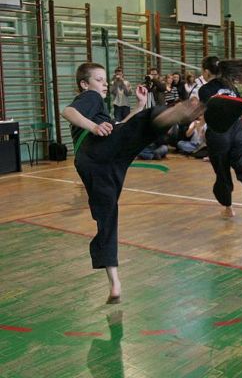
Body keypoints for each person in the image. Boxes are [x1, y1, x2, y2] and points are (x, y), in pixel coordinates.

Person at [61, 62, 202, 305]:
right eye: (98, 79)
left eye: (104, 80)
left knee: (107, 217)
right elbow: (68, 112)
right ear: (84, 84)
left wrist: (138, 105)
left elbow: (122, 127)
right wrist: (94, 126)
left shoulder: (98, 108)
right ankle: (173, 115)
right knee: (147, 121)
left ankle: (115, 284)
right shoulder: (90, 97)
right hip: (96, 148)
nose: (104, 84)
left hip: (94, 163)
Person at [198, 56, 242, 228]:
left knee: (222, 173)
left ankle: (228, 208)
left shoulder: (205, 90)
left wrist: (200, 127)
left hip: (219, 133)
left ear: (206, 71)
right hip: (238, 133)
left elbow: (209, 111)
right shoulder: (230, 86)